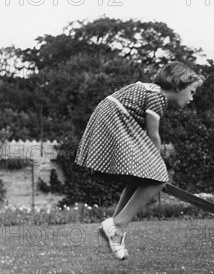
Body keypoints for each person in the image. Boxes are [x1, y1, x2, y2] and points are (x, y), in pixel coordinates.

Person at [75, 61, 204, 260]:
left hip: (110, 117)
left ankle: (114, 228)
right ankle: (117, 225)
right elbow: (153, 135)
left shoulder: (151, 92)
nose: (192, 98)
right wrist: (157, 160)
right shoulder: (157, 97)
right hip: (113, 120)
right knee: (159, 177)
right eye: (192, 91)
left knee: (142, 177)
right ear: (179, 85)